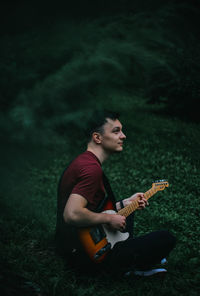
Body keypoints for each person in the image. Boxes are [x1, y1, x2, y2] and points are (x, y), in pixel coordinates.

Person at [55, 110, 176, 277]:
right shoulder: (92, 170)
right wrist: (109, 218)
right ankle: (131, 267)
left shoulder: (84, 161)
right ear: (97, 138)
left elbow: (93, 207)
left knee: (128, 211)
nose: (123, 136)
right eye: (116, 131)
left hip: (73, 245)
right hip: (89, 257)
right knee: (166, 238)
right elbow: (72, 214)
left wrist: (124, 204)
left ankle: (133, 251)